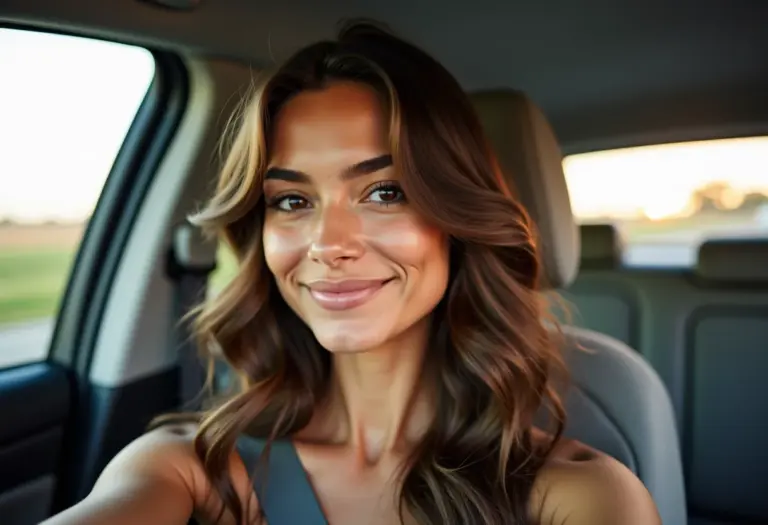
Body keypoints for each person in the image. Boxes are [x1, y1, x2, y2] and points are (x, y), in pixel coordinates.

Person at [43, 20, 660, 525]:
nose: (327, 244)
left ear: (457, 216)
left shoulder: (578, 498)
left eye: (385, 192)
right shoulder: (190, 468)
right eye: (292, 201)